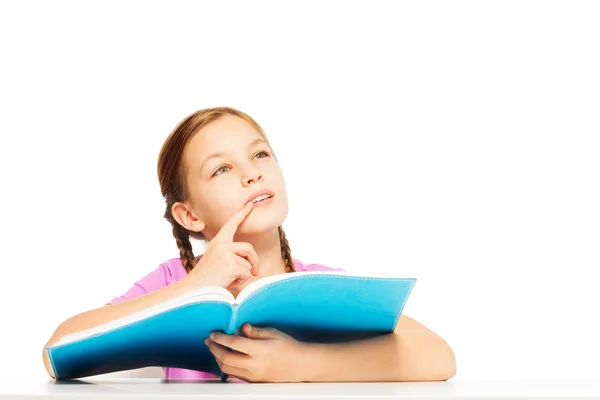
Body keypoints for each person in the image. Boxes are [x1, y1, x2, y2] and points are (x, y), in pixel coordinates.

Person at [42, 106, 457, 382]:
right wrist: (191, 288)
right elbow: (57, 351)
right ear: (190, 216)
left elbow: (439, 357)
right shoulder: (173, 280)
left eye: (260, 155)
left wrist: (302, 365)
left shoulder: (323, 286)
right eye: (222, 168)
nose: (251, 174)